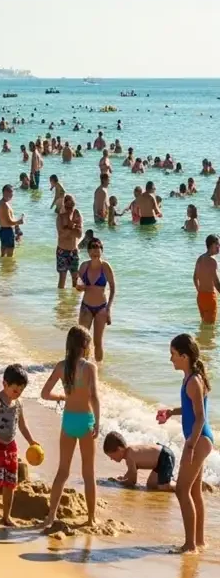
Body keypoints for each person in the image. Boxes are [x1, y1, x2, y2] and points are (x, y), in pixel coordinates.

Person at [40, 326, 100, 530]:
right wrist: (98, 422)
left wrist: (62, 397)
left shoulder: (61, 366)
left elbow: (44, 393)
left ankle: (50, 516)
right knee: (88, 473)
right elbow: (94, 397)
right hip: (85, 421)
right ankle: (91, 518)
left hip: (68, 421)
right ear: (85, 346)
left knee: (62, 471)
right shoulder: (89, 368)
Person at [160, 334, 214, 553]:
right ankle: (198, 541)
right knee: (194, 492)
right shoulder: (191, 378)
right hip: (200, 439)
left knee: (182, 490)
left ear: (184, 356)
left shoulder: (193, 381)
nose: (170, 358)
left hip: (198, 440)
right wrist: (173, 411)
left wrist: (190, 446)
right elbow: (193, 409)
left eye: (173, 354)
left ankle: (190, 545)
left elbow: (200, 417)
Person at [0, 364, 38, 526]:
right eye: (15, 390)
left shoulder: (18, 404)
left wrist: (31, 441)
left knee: (11, 481)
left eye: (21, 391)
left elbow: (22, 425)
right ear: (4, 384)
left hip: (11, 446)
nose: (18, 393)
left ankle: (6, 516)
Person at [76, 238, 115, 361]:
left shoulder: (105, 267)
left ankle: (98, 370)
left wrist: (108, 308)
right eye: (92, 252)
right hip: (86, 306)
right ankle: (83, 366)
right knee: (83, 341)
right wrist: (80, 287)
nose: (95, 254)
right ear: (88, 252)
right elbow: (78, 286)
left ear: (101, 251)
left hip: (101, 308)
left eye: (97, 252)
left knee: (98, 342)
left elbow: (113, 288)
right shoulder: (84, 266)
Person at [103, 432, 175, 492]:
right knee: (151, 485)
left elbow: (132, 481)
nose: (111, 459)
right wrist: (125, 477)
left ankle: (180, 485)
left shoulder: (130, 456)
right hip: (160, 458)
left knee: (163, 487)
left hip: (164, 456)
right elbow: (131, 472)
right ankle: (169, 479)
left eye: (111, 456)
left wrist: (119, 482)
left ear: (119, 449)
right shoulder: (130, 452)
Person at [193, 234, 220, 324]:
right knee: (210, 327)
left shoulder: (200, 258)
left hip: (200, 297)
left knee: (204, 324)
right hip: (210, 298)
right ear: (212, 245)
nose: (219, 247)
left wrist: (199, 291)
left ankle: (201, 338)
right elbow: (216, 282)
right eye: (218, 244)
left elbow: (194, 277)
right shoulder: (213, 261)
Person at [0, 184, 24, 258]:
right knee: (9, 256)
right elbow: (9, 222)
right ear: (5, 192)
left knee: (3, 255)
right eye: (11, 192)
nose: (12, 194)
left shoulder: (1, 203)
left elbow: (7, 220)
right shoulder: (4, 205)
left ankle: (3, 268)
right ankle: (8, 269)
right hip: (7, 231)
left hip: (3, 230)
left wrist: (17, 227)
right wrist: (19, 221)